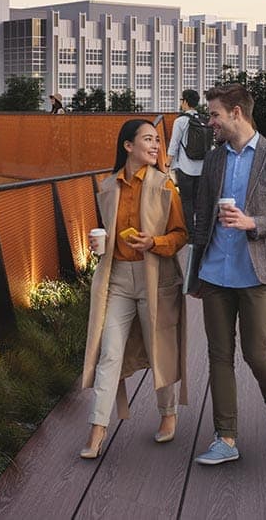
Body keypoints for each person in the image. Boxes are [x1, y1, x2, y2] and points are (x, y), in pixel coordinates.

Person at [186, 82, 266, 467]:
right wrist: (196, 272)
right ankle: (226, 438)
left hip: (257, 274)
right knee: (220, 357)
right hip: (215, 273)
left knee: (256, 352)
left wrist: (253, 222)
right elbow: (203, 216)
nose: (210, 122)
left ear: (236, 113)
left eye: (215, 114)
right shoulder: (216, 159)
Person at [78, 118, 188, 459]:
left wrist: (153, 241)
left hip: (155, 276)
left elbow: (181, 235)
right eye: (148, 140)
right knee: (109, 352)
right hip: (118, 280)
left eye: (157, 140)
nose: (156, 146)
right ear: (128, 146)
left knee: (160, 348)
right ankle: (97, 430)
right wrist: (101, 245)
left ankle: (167, 415)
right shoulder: (107, 186)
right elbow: (106, 234)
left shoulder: (165, 185)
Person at [166, 89, 209, 235]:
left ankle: (190, 233)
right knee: (199, 201)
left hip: (185, 168)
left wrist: (167, 165)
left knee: (187, 201)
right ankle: (201, 230)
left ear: (185, 101)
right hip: (202, 168)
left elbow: (174, 145)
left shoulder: (180, 121)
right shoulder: (204, 120)